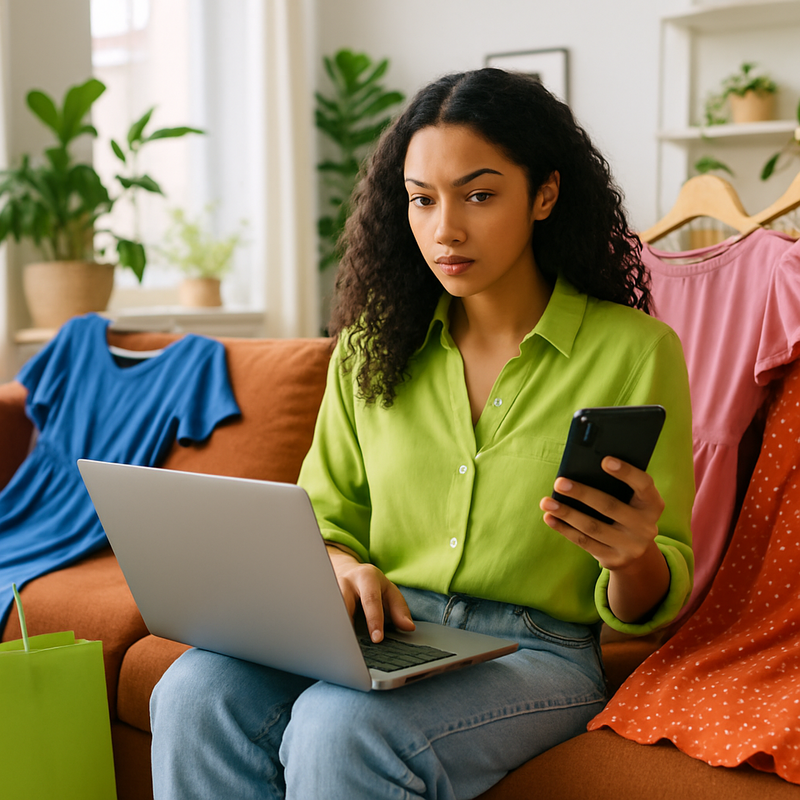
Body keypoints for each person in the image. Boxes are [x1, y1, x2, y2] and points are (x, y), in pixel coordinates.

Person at [150, 68, 695, 800]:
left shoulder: (635, 351)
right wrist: (342, 569)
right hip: (389, 628)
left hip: (537, 652)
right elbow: (324, 520)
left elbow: (653, 596)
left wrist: (632, 557)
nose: (445, 230)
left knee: (340, 728)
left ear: (544, 195)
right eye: (422, 199)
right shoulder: (370, 349)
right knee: (192, 692)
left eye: (478, 195)